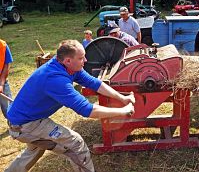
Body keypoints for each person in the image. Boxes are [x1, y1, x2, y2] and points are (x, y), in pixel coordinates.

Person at [5, 40, 135, 172]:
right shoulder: (55, 79)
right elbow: (87, 110)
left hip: (24, 121)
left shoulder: (70, 67)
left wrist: (122, 98)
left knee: (34, 150)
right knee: (76, 145)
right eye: (81, 58)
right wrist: (123, 111)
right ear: (67, 60)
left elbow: (95, 83)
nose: (85, 60)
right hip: (26, 125)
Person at [0, 39, 13, 119]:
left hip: (1, 79)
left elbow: (6, 64)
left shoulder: (2, 45)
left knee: (9, 109)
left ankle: (15, 126)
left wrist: (1, 84)